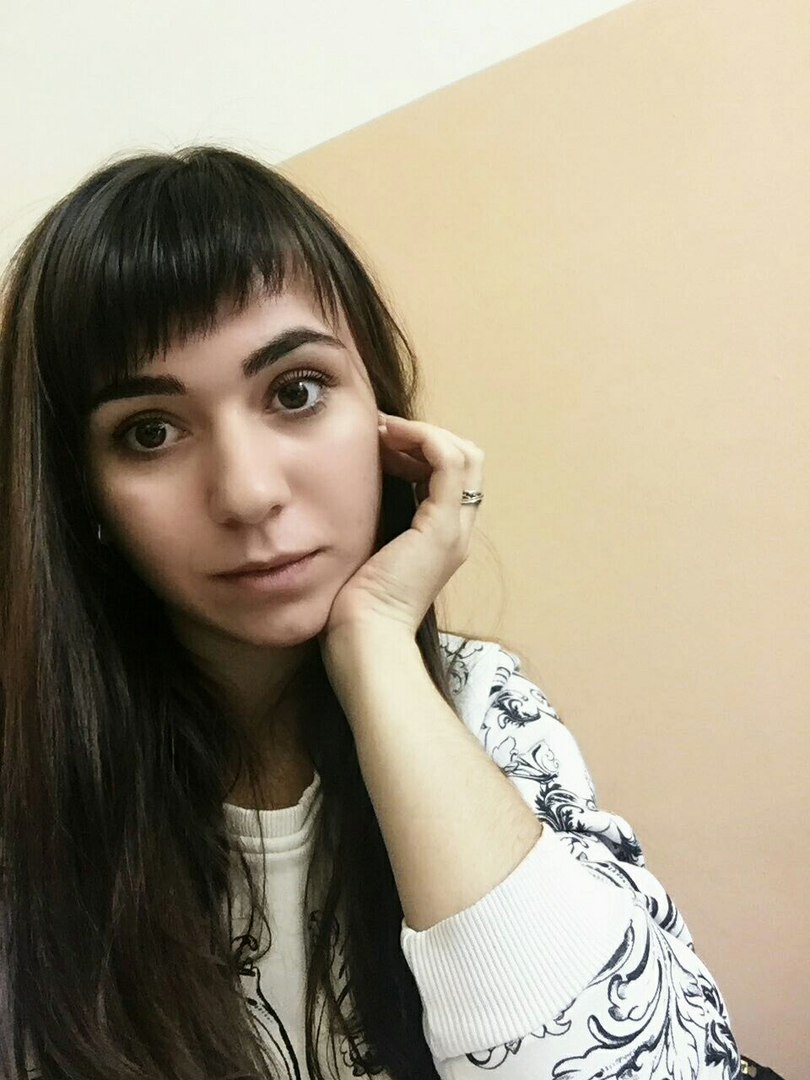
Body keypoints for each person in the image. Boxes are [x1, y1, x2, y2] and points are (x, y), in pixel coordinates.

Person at [0, 146, 741, 1080]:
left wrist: (378, 642)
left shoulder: (479, 703)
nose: (249, 492)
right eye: (150, 432)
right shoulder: (31, 786)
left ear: (385, 423)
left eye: (296, 392)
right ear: (81, 495)